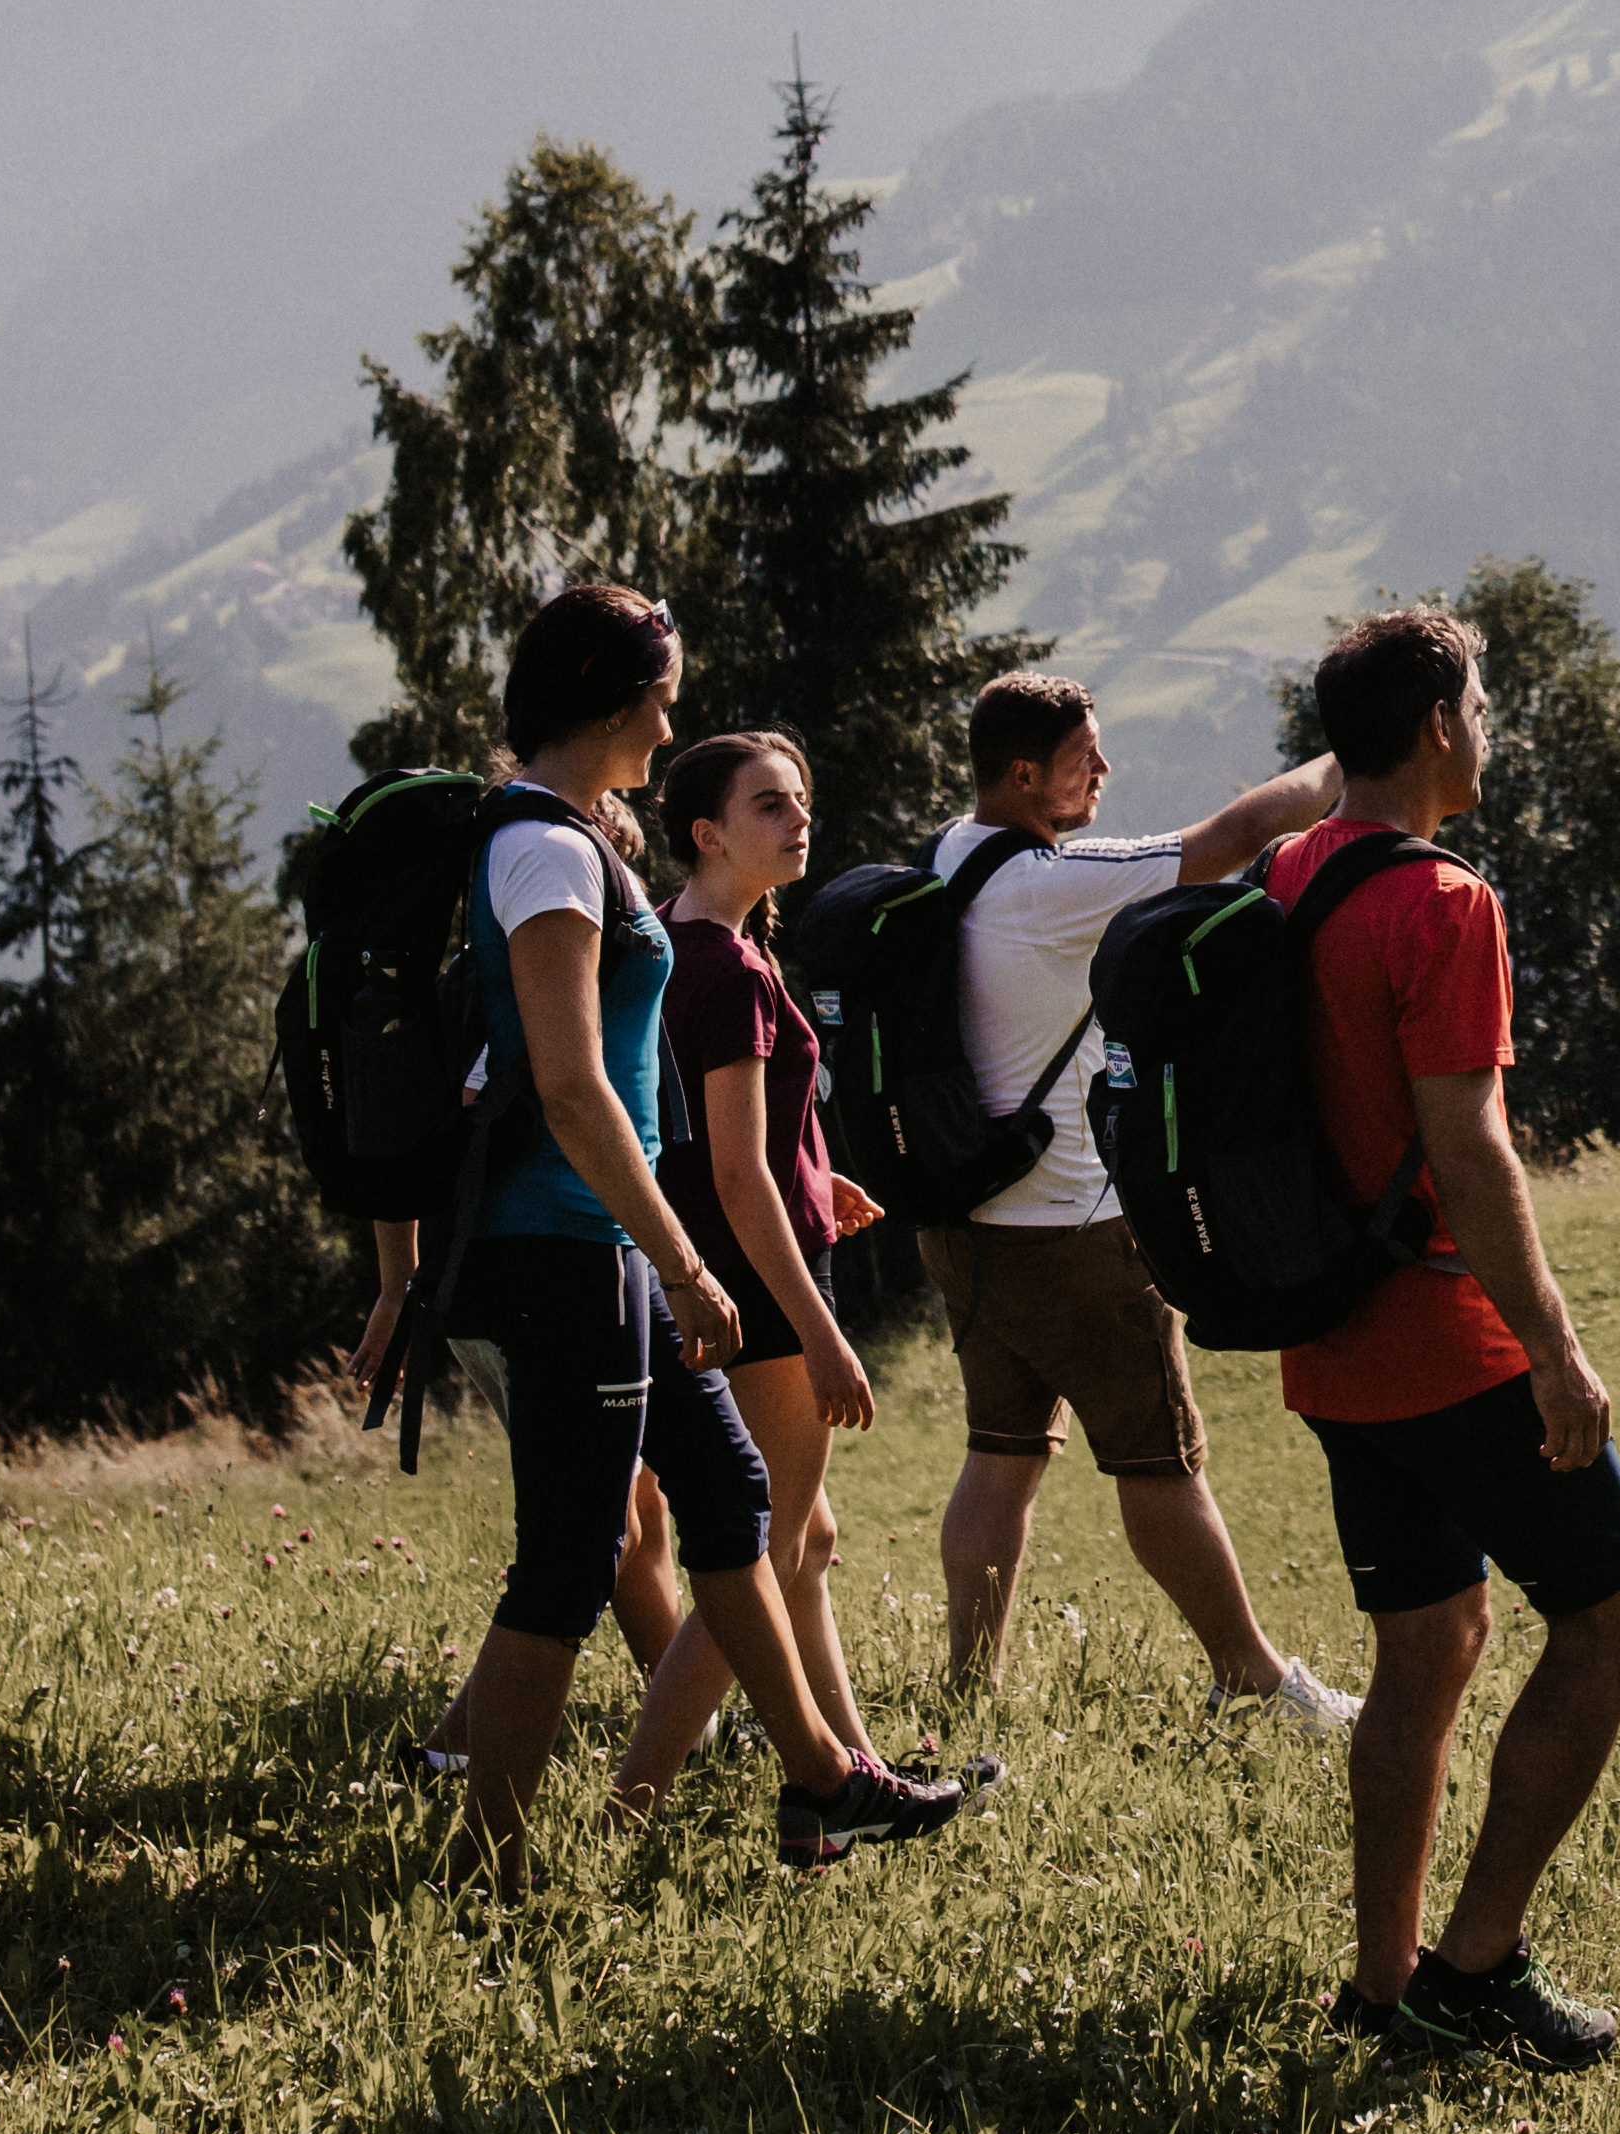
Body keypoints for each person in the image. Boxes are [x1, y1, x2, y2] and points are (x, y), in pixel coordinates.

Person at [384, 583, 974, 1886]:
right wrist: (683, 1257)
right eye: (656, 692)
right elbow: (572, 1081)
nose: (667, 717)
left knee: (732, 1495)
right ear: (605, 692)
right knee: (569, 1561)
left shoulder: (573, 835)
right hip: (568, 1247)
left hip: (602, 1246)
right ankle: (486, 1867)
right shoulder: (541, 849)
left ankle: (826, 1781)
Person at [1264, 603, 1620, 2071]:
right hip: (1444, 1333)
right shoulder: (1442, 901)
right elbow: (1471, 1145)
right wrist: (1554, 1346)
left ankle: (1382, 1981)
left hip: (1330, 1342)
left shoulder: (1292, 875)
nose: (1486, 727)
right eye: (1479, 702)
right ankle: (1473, 1967)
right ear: (1436, 723)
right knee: (1618, 1615)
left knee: (1425, 1641)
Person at [914, 671, 1360, 1733]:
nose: (1104, 773)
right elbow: (1232, 835)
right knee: (1159, 1458)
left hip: (961, 1224)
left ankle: (967, 1688)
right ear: (1025, 775)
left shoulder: (946, 855)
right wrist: (1347, 760)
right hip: (1067, 1231)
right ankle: (1253, 1679)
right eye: (1084, 758)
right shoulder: (1047, 884)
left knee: (1001, 1448)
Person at [597, 727, 888, 1805]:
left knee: (799, 1538)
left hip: (700, 1275)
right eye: (769, 804)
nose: (797, 817)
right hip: (759, 1293)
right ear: (705, 833)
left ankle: (855, 1766)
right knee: (752, 1552)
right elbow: (733, 1173)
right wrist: (822, 1330)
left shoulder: (671, 943)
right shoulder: (728, 969)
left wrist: (818, 1179)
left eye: (800, 797)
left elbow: (722, 1142)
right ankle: (638, 1795)